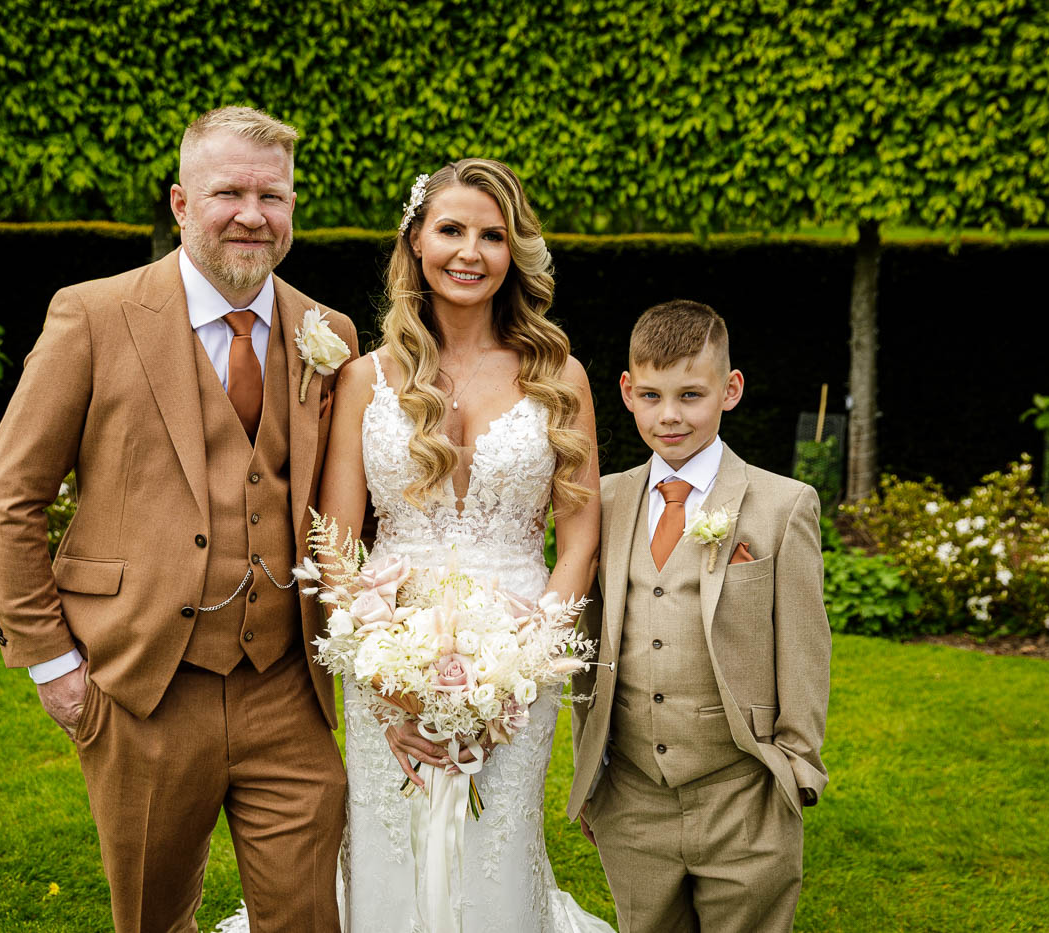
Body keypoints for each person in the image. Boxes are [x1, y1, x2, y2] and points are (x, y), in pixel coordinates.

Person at [0, 106, 356, 933]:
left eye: (274, 195)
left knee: (310, 916)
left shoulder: (331, 334)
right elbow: (7, 497)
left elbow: (342, 502)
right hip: (142, 685)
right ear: (182, 204)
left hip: (285, 684)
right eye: (229, 192)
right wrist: (53, 666)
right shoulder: (93, 315)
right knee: (152, 918)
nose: (253, 214)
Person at [315, 159, 612, 931]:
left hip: (521, 651)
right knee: (390, 840)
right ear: (416, 240)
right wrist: (387, 676)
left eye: (493, 235)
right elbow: (337, 546)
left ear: (515, 252)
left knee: (495, 848)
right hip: (383, 650)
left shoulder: (562, 376)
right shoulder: (363, 379)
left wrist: (523, 666)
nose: (470, 251)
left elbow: (579, 539)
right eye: (451, 230)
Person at [569, 299, 831, 933]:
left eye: (691, 395)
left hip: (741, 791)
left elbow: (803, 642)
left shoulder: (782, 505)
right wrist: (590, 769)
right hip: (632, 793)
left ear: (729, 390)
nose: (670, 416)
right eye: (652, 396)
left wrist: (796, 770)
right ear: (627, 392)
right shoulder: (604, 499)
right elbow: (586, 637)